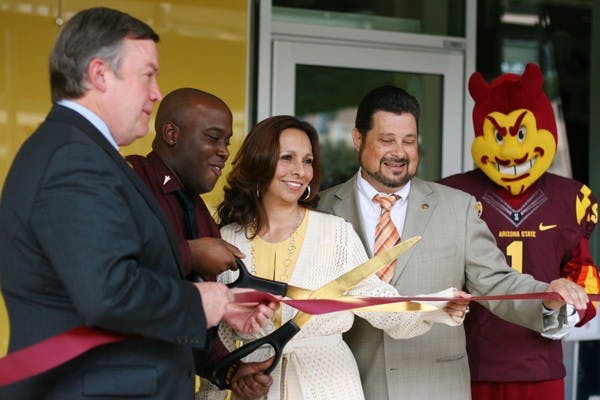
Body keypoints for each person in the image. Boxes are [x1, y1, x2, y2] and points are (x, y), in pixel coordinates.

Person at [0, 8, 276, 400]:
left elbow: (122, 275)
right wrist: (198, 301)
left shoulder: (86, 155)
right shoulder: (74, 160)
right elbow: (108, 293)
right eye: (147, 74)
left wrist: (223, 305)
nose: (156, 92)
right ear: (99, 74)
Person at [317, 85, 590, 400]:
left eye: (409, 141)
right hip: (348, 385)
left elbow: (496, 282)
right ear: (357, 139)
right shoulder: (322, 210)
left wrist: (546, 297)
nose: (399, 152)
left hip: (436, 386)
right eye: (386, 140)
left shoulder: (458, 207)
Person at [206, 115, 471, 400]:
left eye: (307, 161)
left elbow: (377, 301)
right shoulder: (224, 240)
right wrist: (230, 375)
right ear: (260, 162)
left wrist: (434, 306)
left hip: (328, 385)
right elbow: (213, 335)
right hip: (251, 389)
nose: (300, 171)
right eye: (287, 158)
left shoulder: (335, 233)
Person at [440, 63, 599, 400]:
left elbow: (583, 271)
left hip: (539, 365)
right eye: (499, 136)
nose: (511, 150)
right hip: (468, 362)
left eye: (520, 134)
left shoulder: (571, 198)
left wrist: (571, 305)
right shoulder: (452, 194)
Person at [126, 87, 274, 399]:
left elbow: (192, 325)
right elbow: (110, 277)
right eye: (213, 137)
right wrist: (189, 255)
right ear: (171, 133)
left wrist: (231, 370)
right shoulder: (128, 180)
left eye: (227, 142)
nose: (224, 151)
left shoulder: (201, 215)